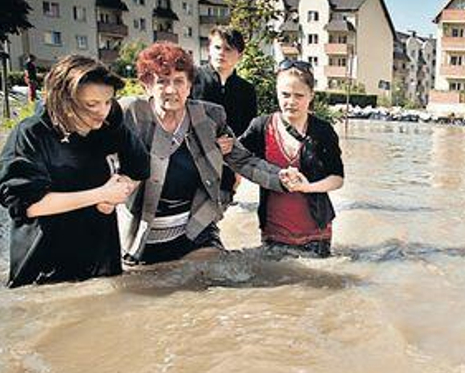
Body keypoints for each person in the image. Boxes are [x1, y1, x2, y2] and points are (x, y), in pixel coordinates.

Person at [118, 42, 302, 265]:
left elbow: (242, 160)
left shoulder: (209, 117)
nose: (171, 89)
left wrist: (280, 177)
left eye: (178, 81)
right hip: (143, 234)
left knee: (219, 277)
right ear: (147, 85)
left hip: (195, 229)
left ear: (189, 86)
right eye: (162, 81)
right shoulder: (130, 114)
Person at [0, 55, 149, 287]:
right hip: (44, 270)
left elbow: (139, 168)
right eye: (92, 104)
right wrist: (100, 195)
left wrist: (122, 190)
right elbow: (27, 205)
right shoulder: (31, 134)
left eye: (108, 101)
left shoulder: (111, 123)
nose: (103, 111)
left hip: (101, 262)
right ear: (64, 99)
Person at [239, 60, 345, 257]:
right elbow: (239, 160)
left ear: (311, 96)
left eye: (299, 96)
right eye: (285, 95)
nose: (291, 101)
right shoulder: (260, 127)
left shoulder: (323, 131)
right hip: (273, 230)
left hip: (317, 232)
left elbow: (337, 179)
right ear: (277, 93)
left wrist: (307, 187)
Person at [190, 27, 258, 205]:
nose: (222, 53)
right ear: (209, 49)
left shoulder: (246, 90)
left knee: (215, 220)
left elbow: (248, 132)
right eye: (217, 47)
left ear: (240, 55)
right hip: (191, 164)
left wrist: (239, 169)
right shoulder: (191, 80)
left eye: (228, 49)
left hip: (226, 168)